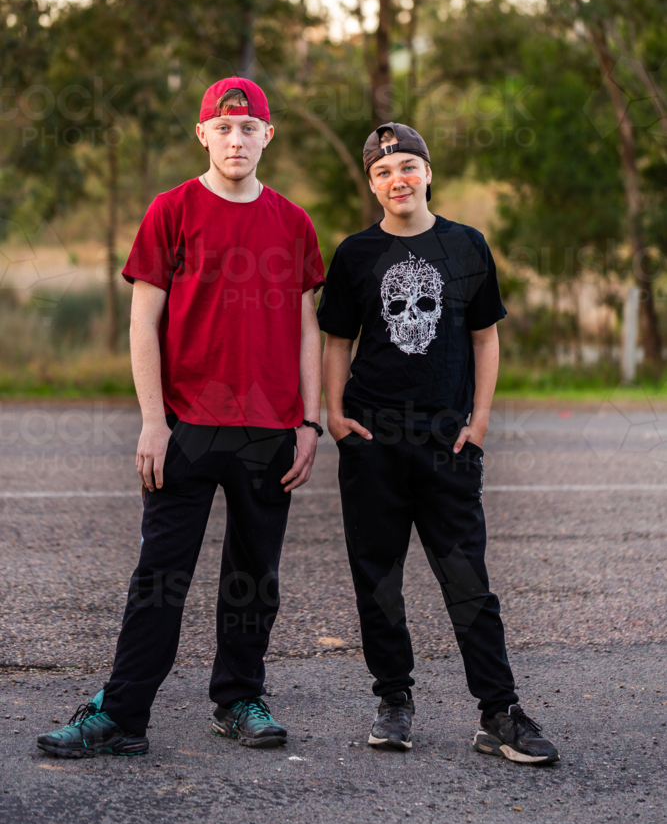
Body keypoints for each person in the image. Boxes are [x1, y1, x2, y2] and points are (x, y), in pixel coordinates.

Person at [37, 77, 325, 758]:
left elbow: (307, 329)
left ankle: (238, 699)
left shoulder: (292, 221)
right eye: (222, 129)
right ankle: (121, 716)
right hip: (184, 426)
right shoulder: (171, 209)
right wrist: (151, 421)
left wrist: (309, 425)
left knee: (254, 577)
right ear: (202, 134)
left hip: (269, 430)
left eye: (248, 128)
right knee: (160, 578)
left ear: (266, 136)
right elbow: (144, 321)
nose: (235, 139)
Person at [317, 122, 559, 764]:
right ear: (372, 185)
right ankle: (394, 699)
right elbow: (337, 339)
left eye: (406, 166)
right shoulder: (355, 255)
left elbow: (485, 336)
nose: (396, 179)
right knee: (379, 577)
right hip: (373, 439)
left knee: (467, 578)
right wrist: (335, 415)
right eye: (382, 171)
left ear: (428, 172)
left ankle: (499, 711)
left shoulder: (467, 246)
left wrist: (478, 422)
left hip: (447, 440)